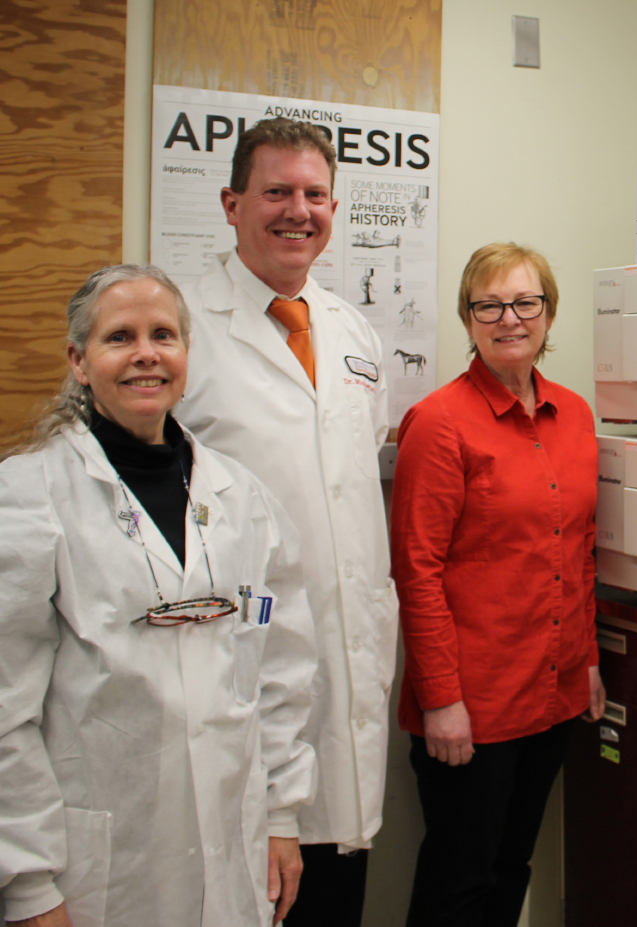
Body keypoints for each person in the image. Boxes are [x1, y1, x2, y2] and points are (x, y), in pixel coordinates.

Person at [0, 265, 317, 927]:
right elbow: (5, 713)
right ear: (79, 361)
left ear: (185, 355)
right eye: (120, 336)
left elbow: (281, 667)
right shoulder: (29, 497)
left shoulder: (240, 499)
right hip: (99, 870)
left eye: (163, 334)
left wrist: (282, 813)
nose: (147, 352)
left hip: (236, 847)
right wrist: (28, 886)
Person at [174, 118, 397, 926]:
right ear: (233, 204)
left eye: (313, 194)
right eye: (276, 192)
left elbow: (349, 476)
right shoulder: (182, 330)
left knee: (337, 887)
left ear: (333, 207)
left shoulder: (351, 329)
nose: (297, 210)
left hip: (344, 665)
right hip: (240, 664)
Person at [391, 242, 606, 927]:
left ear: (548, 313)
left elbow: (580, 549)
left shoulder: (574, 414)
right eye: (489, 304)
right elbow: (415, 571)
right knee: (461, 880)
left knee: (512, 865)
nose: (508, 318)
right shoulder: (439, 423)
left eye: (524, 302)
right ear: (468, 317)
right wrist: (443, 700)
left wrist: (589, 660)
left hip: (553, 691)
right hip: (472, 708)